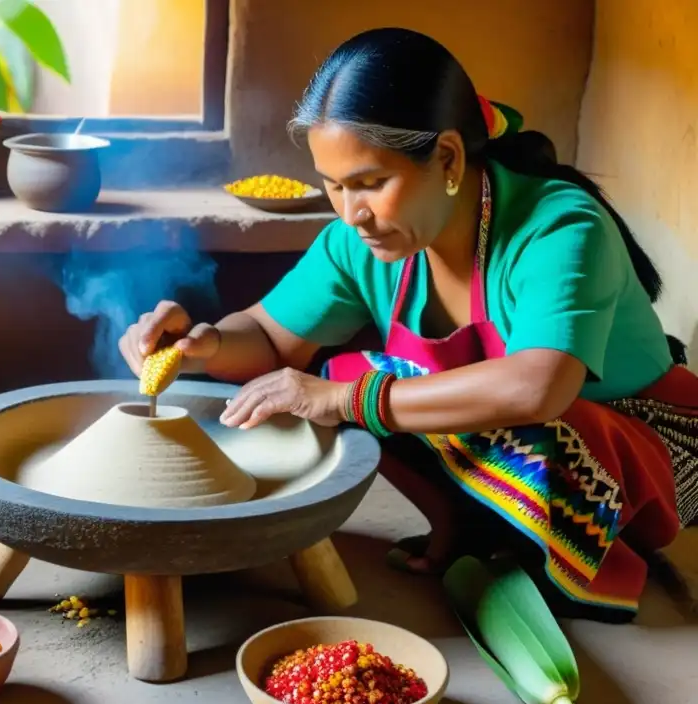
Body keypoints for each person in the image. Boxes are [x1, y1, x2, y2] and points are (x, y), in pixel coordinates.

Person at [118, 27, 698, 623]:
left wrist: (347, 397)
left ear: (447, 157)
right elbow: (269, 340)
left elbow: (538, 388)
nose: (352, 213)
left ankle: (565, 558)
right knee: (345, 386)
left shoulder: (560, 229)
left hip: (649, 447)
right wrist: (201, 344)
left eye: (371, 183)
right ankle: (472, 529)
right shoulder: (359, 242)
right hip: (535, 440)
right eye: (333, 185)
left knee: (358, 386)